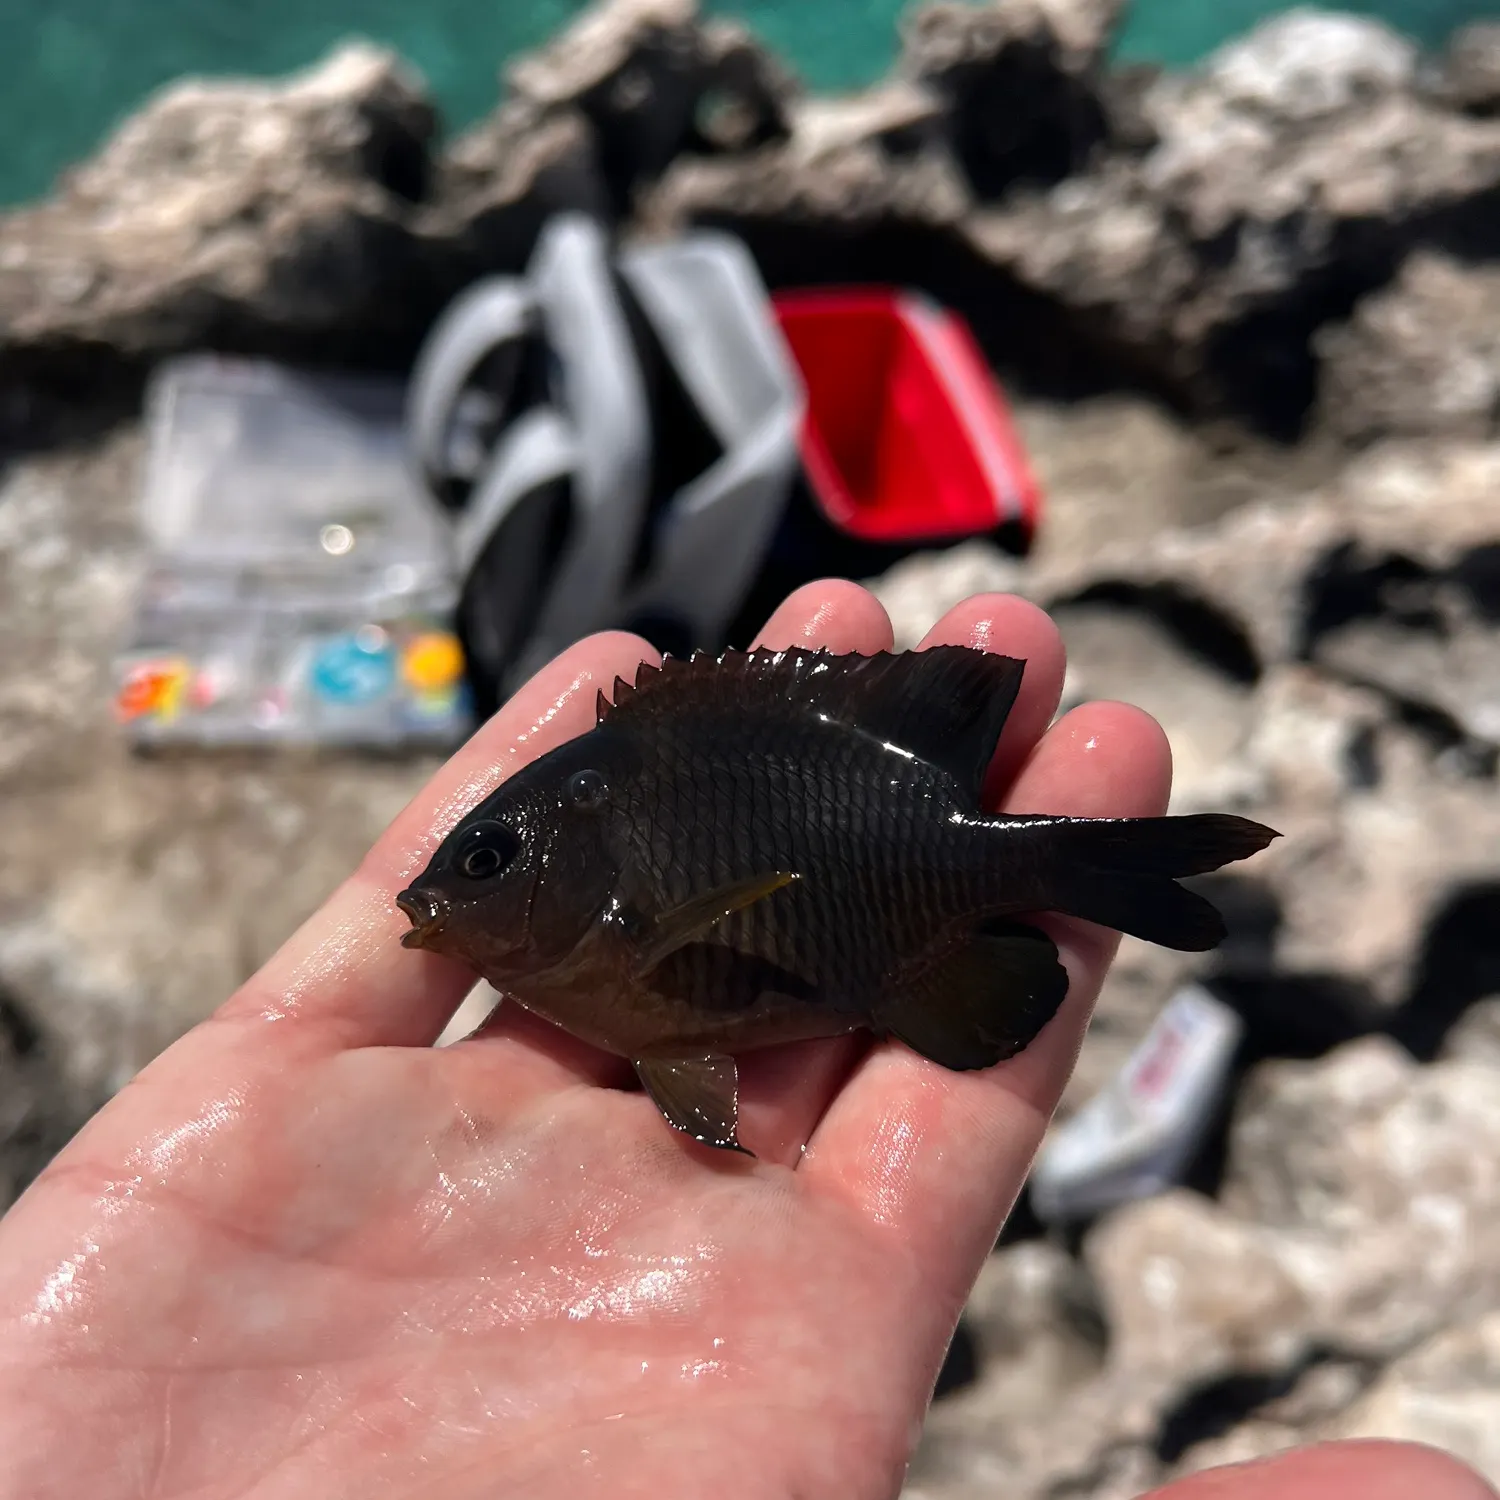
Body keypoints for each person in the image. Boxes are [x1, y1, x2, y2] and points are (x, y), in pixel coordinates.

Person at [0, 583, 1488, 1500]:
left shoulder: (608, 908)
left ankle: (1087, 859)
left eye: (493, 863)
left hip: (902, 891)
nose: (448, 902)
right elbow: (674, 1047)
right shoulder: (584, 940)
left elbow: (698, 999)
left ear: (579, 859)